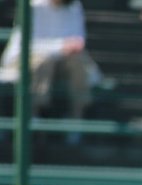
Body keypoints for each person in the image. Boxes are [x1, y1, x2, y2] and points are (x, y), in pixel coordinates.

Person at [0, 1, 104, 145]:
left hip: (62, 62)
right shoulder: (33, 5)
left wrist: (69, 47)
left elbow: (78, 39)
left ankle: (75, 121)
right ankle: (33, 117)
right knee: (44, 61)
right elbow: (29, 44)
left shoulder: (74, 5)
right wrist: (60, 46)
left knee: (77, 63)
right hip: (24, 59)